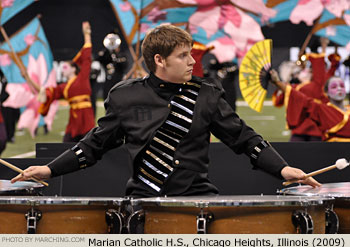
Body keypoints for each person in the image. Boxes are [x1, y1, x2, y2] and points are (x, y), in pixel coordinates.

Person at [12, 24, 320, 197]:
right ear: (160, 60)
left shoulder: (207, 94)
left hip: (197, 199)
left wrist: (283, 169)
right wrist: (49, 170)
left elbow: (244, 139)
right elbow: (93, 146)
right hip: (143, 202)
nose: (191, 62)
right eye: (183, 56)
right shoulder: (125, 96)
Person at [272, 37, 340, 141]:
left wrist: (324, 46)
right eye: (304, 71)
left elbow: (327, 66)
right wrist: (282, 84)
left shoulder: (320, 83)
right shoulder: (294, 87)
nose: (307, 71)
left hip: (317, 129)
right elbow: (278, 101)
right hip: (299, 129)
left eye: (309, 70)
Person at [38, 21, 95, 143]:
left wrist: (87, 35)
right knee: (67, 144)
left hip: (86, 116)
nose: (62, 69)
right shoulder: (64, 87)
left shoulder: (82, 77)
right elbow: (52, 92)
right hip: (74, 119)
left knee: (89, 144)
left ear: (74, 68)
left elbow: (86, 57)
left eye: (65, 67)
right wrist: (43, 92)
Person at [270, 69, 350, 142]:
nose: (339, 89)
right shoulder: (322, 109)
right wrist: (277, 82)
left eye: (342, 86)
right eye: (334, 87)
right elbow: (301, 99)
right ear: (326, 93)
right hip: (336, 151)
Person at [96, 32, 127, 100]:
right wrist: (107, 50)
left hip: (118, 81)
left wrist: (116, 55)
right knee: (107, 99)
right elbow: (99, 58)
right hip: (108, 80)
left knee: (118, 100)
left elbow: (124, 65)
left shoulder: (122, 55)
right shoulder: (106, 54)